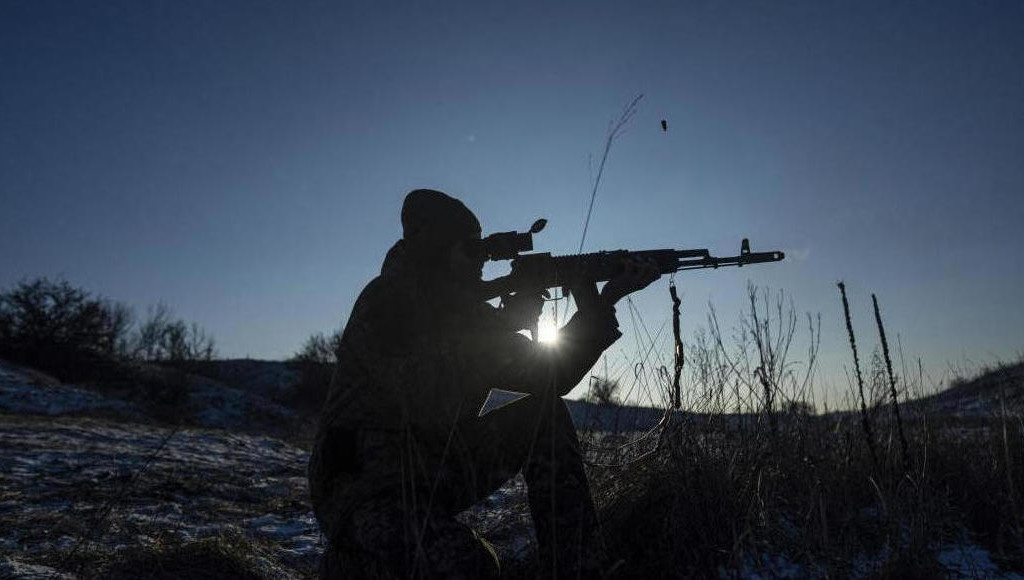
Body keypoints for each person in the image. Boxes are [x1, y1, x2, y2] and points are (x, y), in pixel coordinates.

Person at [308, 189, 660, 579]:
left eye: (483, 250)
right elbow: (428, 400)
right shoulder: (386, 302)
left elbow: (548, 378)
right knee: (471, 566)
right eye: (470, 250)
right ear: (435, 250)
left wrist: (601, 303)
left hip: (428, 471)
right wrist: (502, 325)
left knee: (541, 411)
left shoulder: (470, 314)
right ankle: (351, 562)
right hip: (363, 489)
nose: (482, 262)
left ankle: (578, 568)